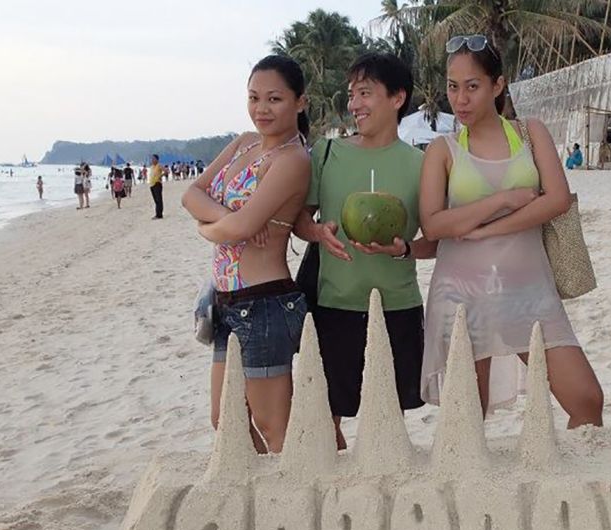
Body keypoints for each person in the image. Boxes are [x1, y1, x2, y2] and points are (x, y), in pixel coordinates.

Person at [418, 35, 604, 428]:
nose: (461, 99)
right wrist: (505, 200)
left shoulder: (530, 132)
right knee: (469, 419)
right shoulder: (443, 149)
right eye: (453, 87)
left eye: (473, 86)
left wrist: (485, 229)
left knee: (587, 401)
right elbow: (433, 223)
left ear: (497, 85)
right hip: (462, 294)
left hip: (529, 290)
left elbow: (556, 199)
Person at [295, 52, 438, 450]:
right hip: (334, 302)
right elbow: (300, 221)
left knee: (388, 421)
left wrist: (403, 248)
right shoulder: (327, 153)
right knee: (326, 419)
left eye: (365, 93)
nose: (354, 104)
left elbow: (435, 241)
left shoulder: (421, 163)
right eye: (351, 94)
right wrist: (318, 232)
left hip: (396, 305)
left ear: (396, 98)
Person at [181, 54, 311, 454]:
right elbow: (190, 194)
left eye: (274, 99)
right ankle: (264, 495)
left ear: (299, 102)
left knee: (275, 429)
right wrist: (225, 220)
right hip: (225, 303)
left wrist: (212, 226)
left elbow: (238, 230)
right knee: (226, 420)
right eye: (254, 98)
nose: (261, 109)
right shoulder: (243, 144)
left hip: (265, 304)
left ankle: (294, 504)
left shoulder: (293, 159)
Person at [148, 155, 164, 219]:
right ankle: (157, 213)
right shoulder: (152, 167)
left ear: (157, 159)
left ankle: (159, 215)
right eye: (151, 159)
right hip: (152, 184)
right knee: (156, 200)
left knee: (159, 200)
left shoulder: (159, 165)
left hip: (157, 184)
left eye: (153, 159)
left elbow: (166, 171)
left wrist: (160, 176)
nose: (152, 160)